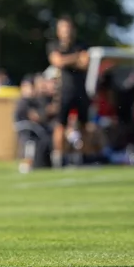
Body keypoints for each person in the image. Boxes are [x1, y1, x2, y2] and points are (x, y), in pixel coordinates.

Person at [46, 16, 90, 166]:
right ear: (59, 31)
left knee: (84, 125)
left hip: (81, 90)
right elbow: (57, 61)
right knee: (60, 125)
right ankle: (59, 158)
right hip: (64, 91)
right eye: (63, 29)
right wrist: (75, 58)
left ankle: (83, 157)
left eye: (69, 28)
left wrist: (67, 60)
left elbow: (85, 63)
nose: (67, 32)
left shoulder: (81, 44)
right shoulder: (54, 45)